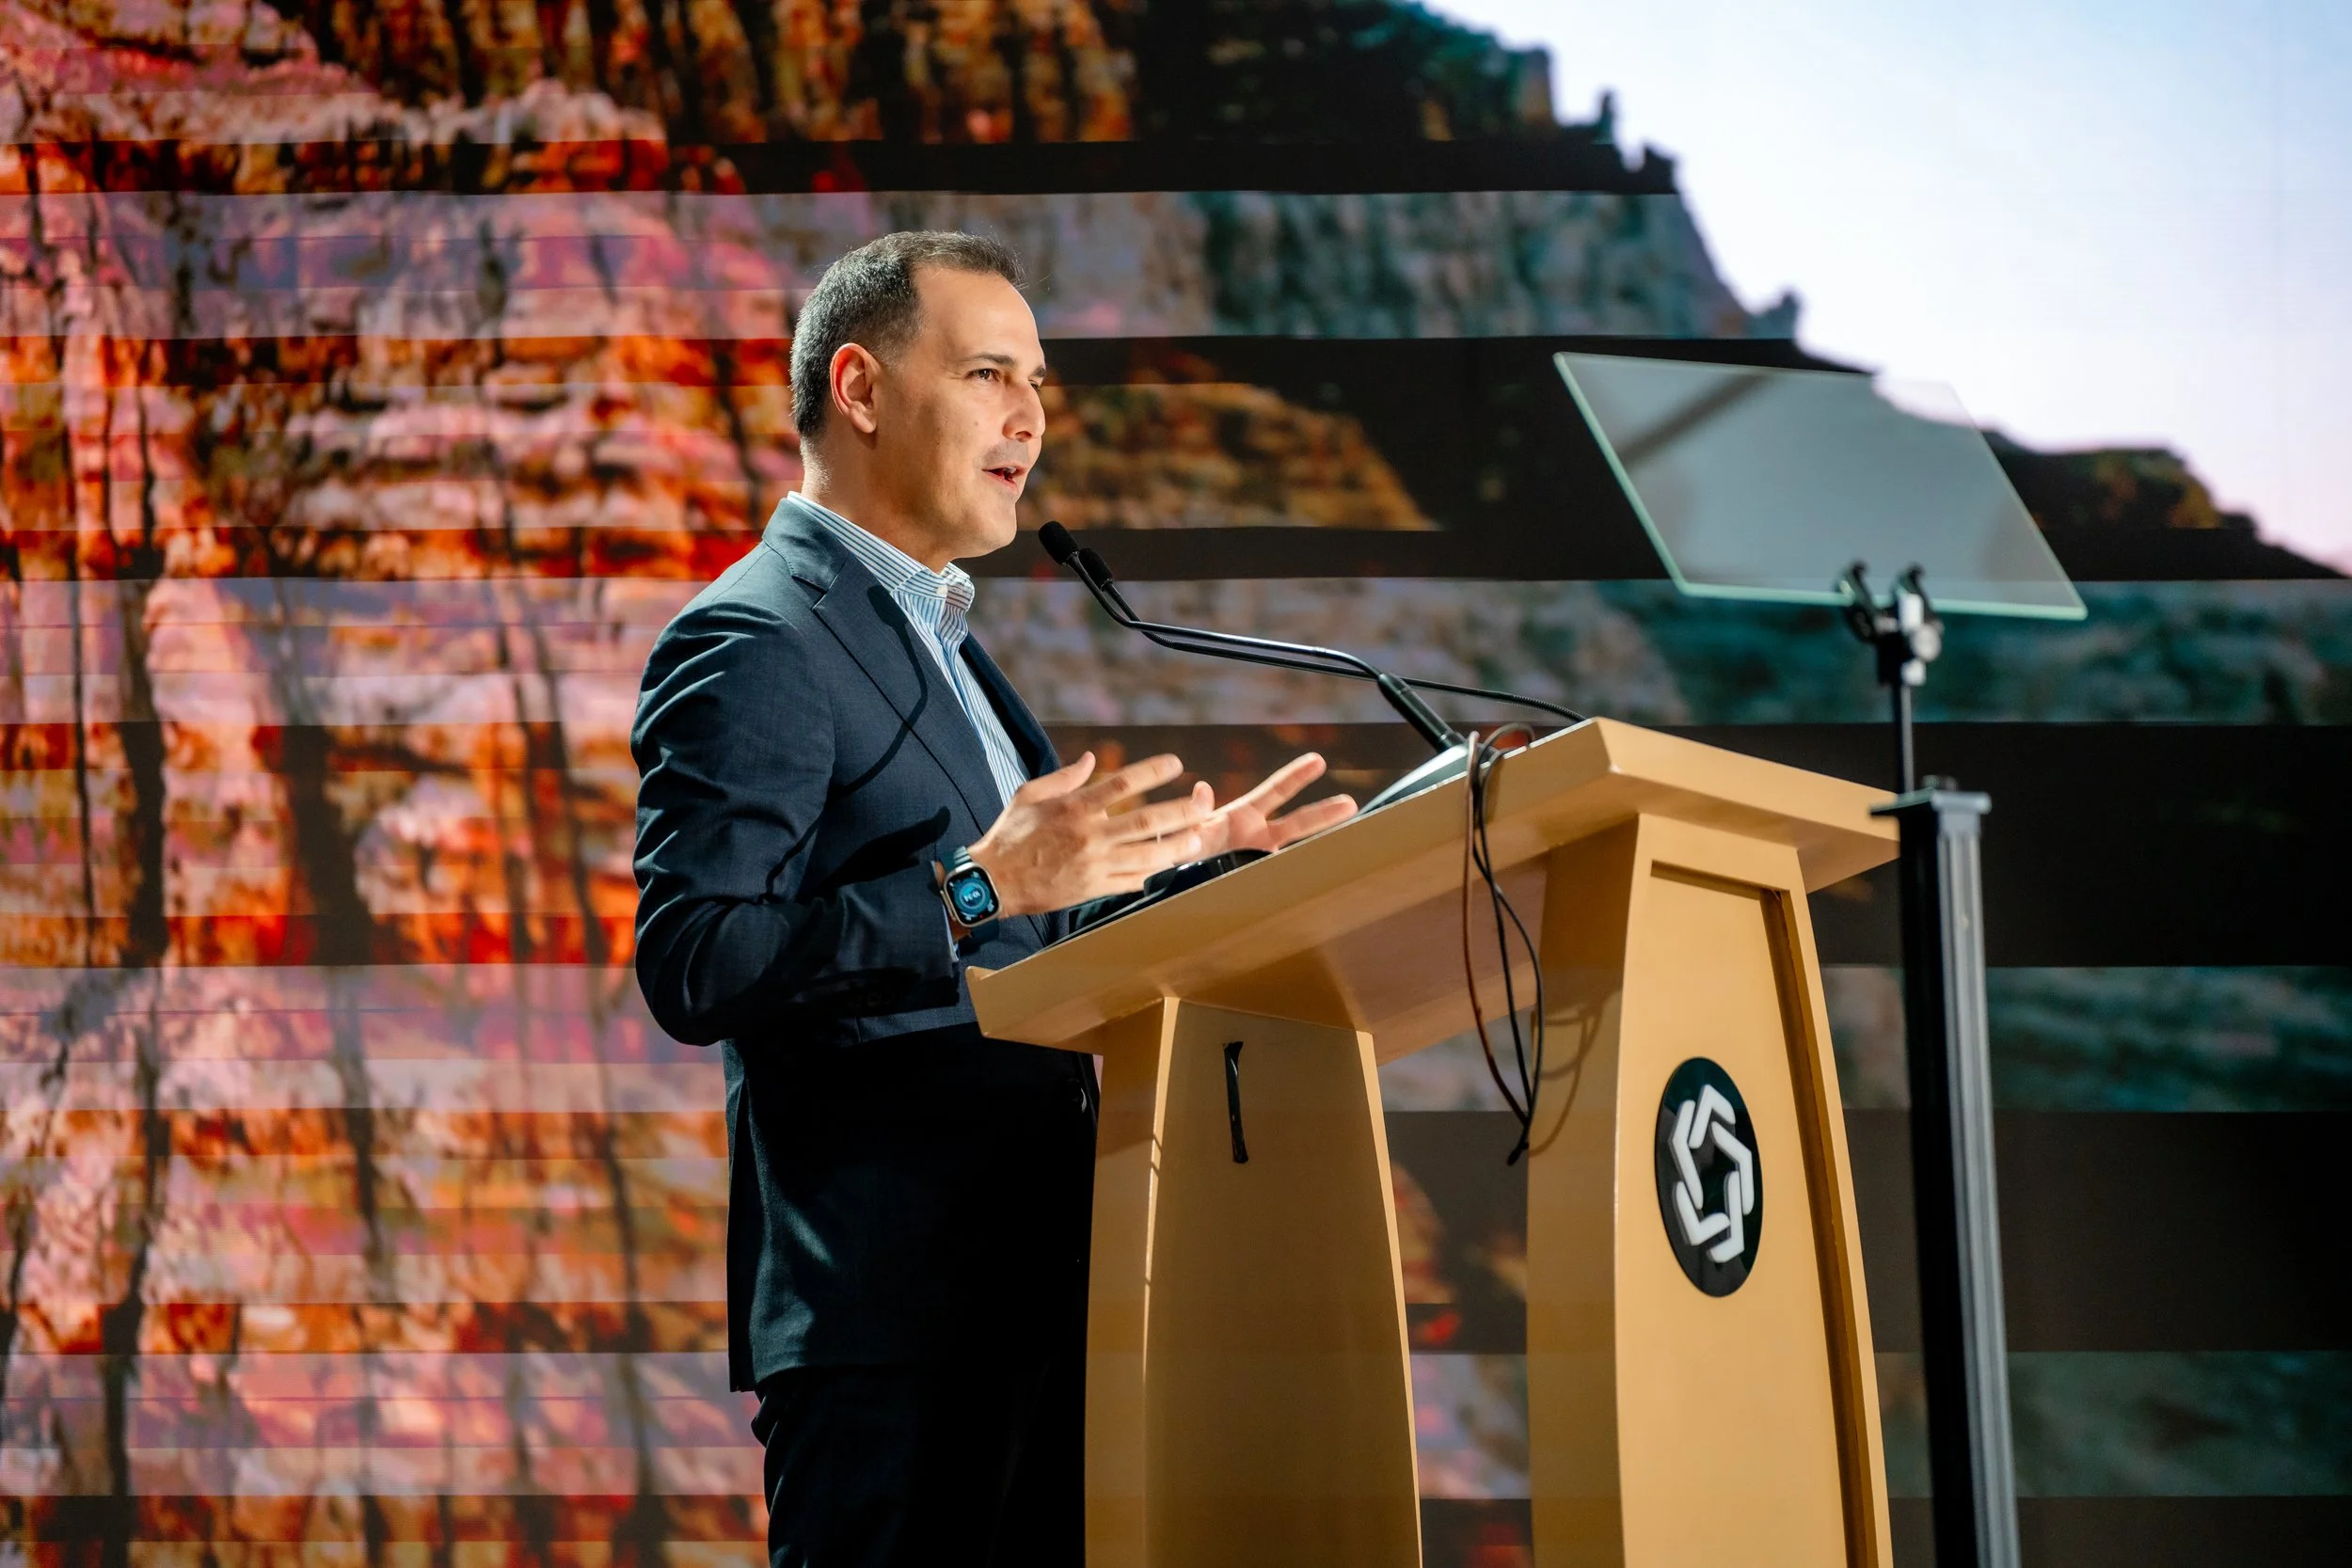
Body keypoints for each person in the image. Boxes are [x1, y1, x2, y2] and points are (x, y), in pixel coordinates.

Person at [629, 231, 1357, 1568]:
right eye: (987, 373)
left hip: (1046, 1298)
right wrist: (979, 882)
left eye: (1038, 381)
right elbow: (699, 956)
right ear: (859, 387)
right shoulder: (757, 638)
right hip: (893, 1328)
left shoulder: (944, 645)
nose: (1031, 416)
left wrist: (1201, 873)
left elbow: (1028, 940)